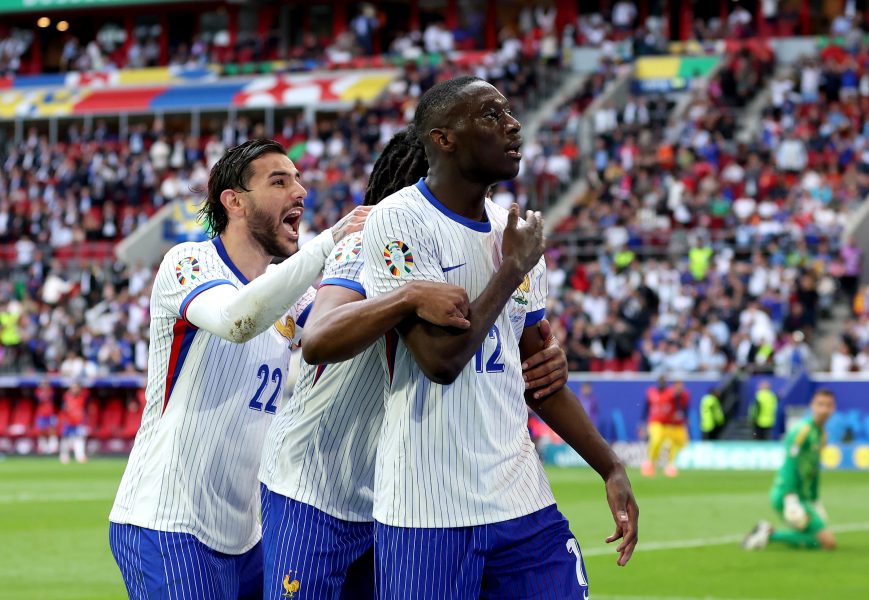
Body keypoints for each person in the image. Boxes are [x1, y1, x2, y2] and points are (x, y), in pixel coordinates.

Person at [258, 126, 569, 600]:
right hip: (316, 486)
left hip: (399, 497)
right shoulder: (368, 243)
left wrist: (544, 361)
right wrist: (408, 296)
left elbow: (501, 353)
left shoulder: (478, 250)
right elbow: (319, 336)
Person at [361, 77, 638, 599]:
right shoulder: (398, 221)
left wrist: (610, 466)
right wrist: (511, 269)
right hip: (427, 509)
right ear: (443, 138)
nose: (513, 125)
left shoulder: (518, 230)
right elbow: (440, 362)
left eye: (510, 111)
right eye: (491, 115)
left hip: (521, 501)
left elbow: (541, 377)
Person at [108, 139, 369, 600]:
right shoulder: (188, 263)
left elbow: (346, 339)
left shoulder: (292, 294)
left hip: (248, 537)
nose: (301, 191)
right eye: (279, 180)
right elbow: (236, 321)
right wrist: (330, 242)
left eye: (299, 178)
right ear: (234, 201)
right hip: (167, 522)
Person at [743, 389, 837, 551]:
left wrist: (815, 499)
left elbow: (815, 469)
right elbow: (790, 463)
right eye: (820, 404)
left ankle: (766, 532)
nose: (824, 410)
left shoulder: (821, 435)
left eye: (828, 405)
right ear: (812, 406)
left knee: (821, 540)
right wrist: (790, 497)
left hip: (804, 497)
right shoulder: (802, 431)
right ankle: (770, 535)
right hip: (788, 494)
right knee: (826, 542)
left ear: (833, 408)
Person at [641, 377, 689, 477]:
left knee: (671, 444)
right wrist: (642, 423)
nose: (662, 385)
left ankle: (670, 466)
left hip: (669, 423)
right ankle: (650, 462)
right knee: (656, 440)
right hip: (655, 422)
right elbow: (646, 408)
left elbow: (679, 403)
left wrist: (680, 414)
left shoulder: (671, 393)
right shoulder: (651, 393)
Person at [59, 380, 88, 464]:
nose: (74, 389)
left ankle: (80, 456)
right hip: (68, 421)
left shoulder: (83, 396)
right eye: (73, 387)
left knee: (79, 439)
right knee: (65, 439)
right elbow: (63, 408)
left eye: (76, 387)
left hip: (78, 422)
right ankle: (64, 456)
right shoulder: (66, 396)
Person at [34, 379, 59, 454]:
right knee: (41, 430)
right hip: (41, 414)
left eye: (46, 384)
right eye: (43, 384)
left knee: (52, 429)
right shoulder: (38, 392)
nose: (44, 385)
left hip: (51, 414)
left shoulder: (52, 392)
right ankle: (43, 447)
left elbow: (54, 400)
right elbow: (38, 400)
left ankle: (53, 447)